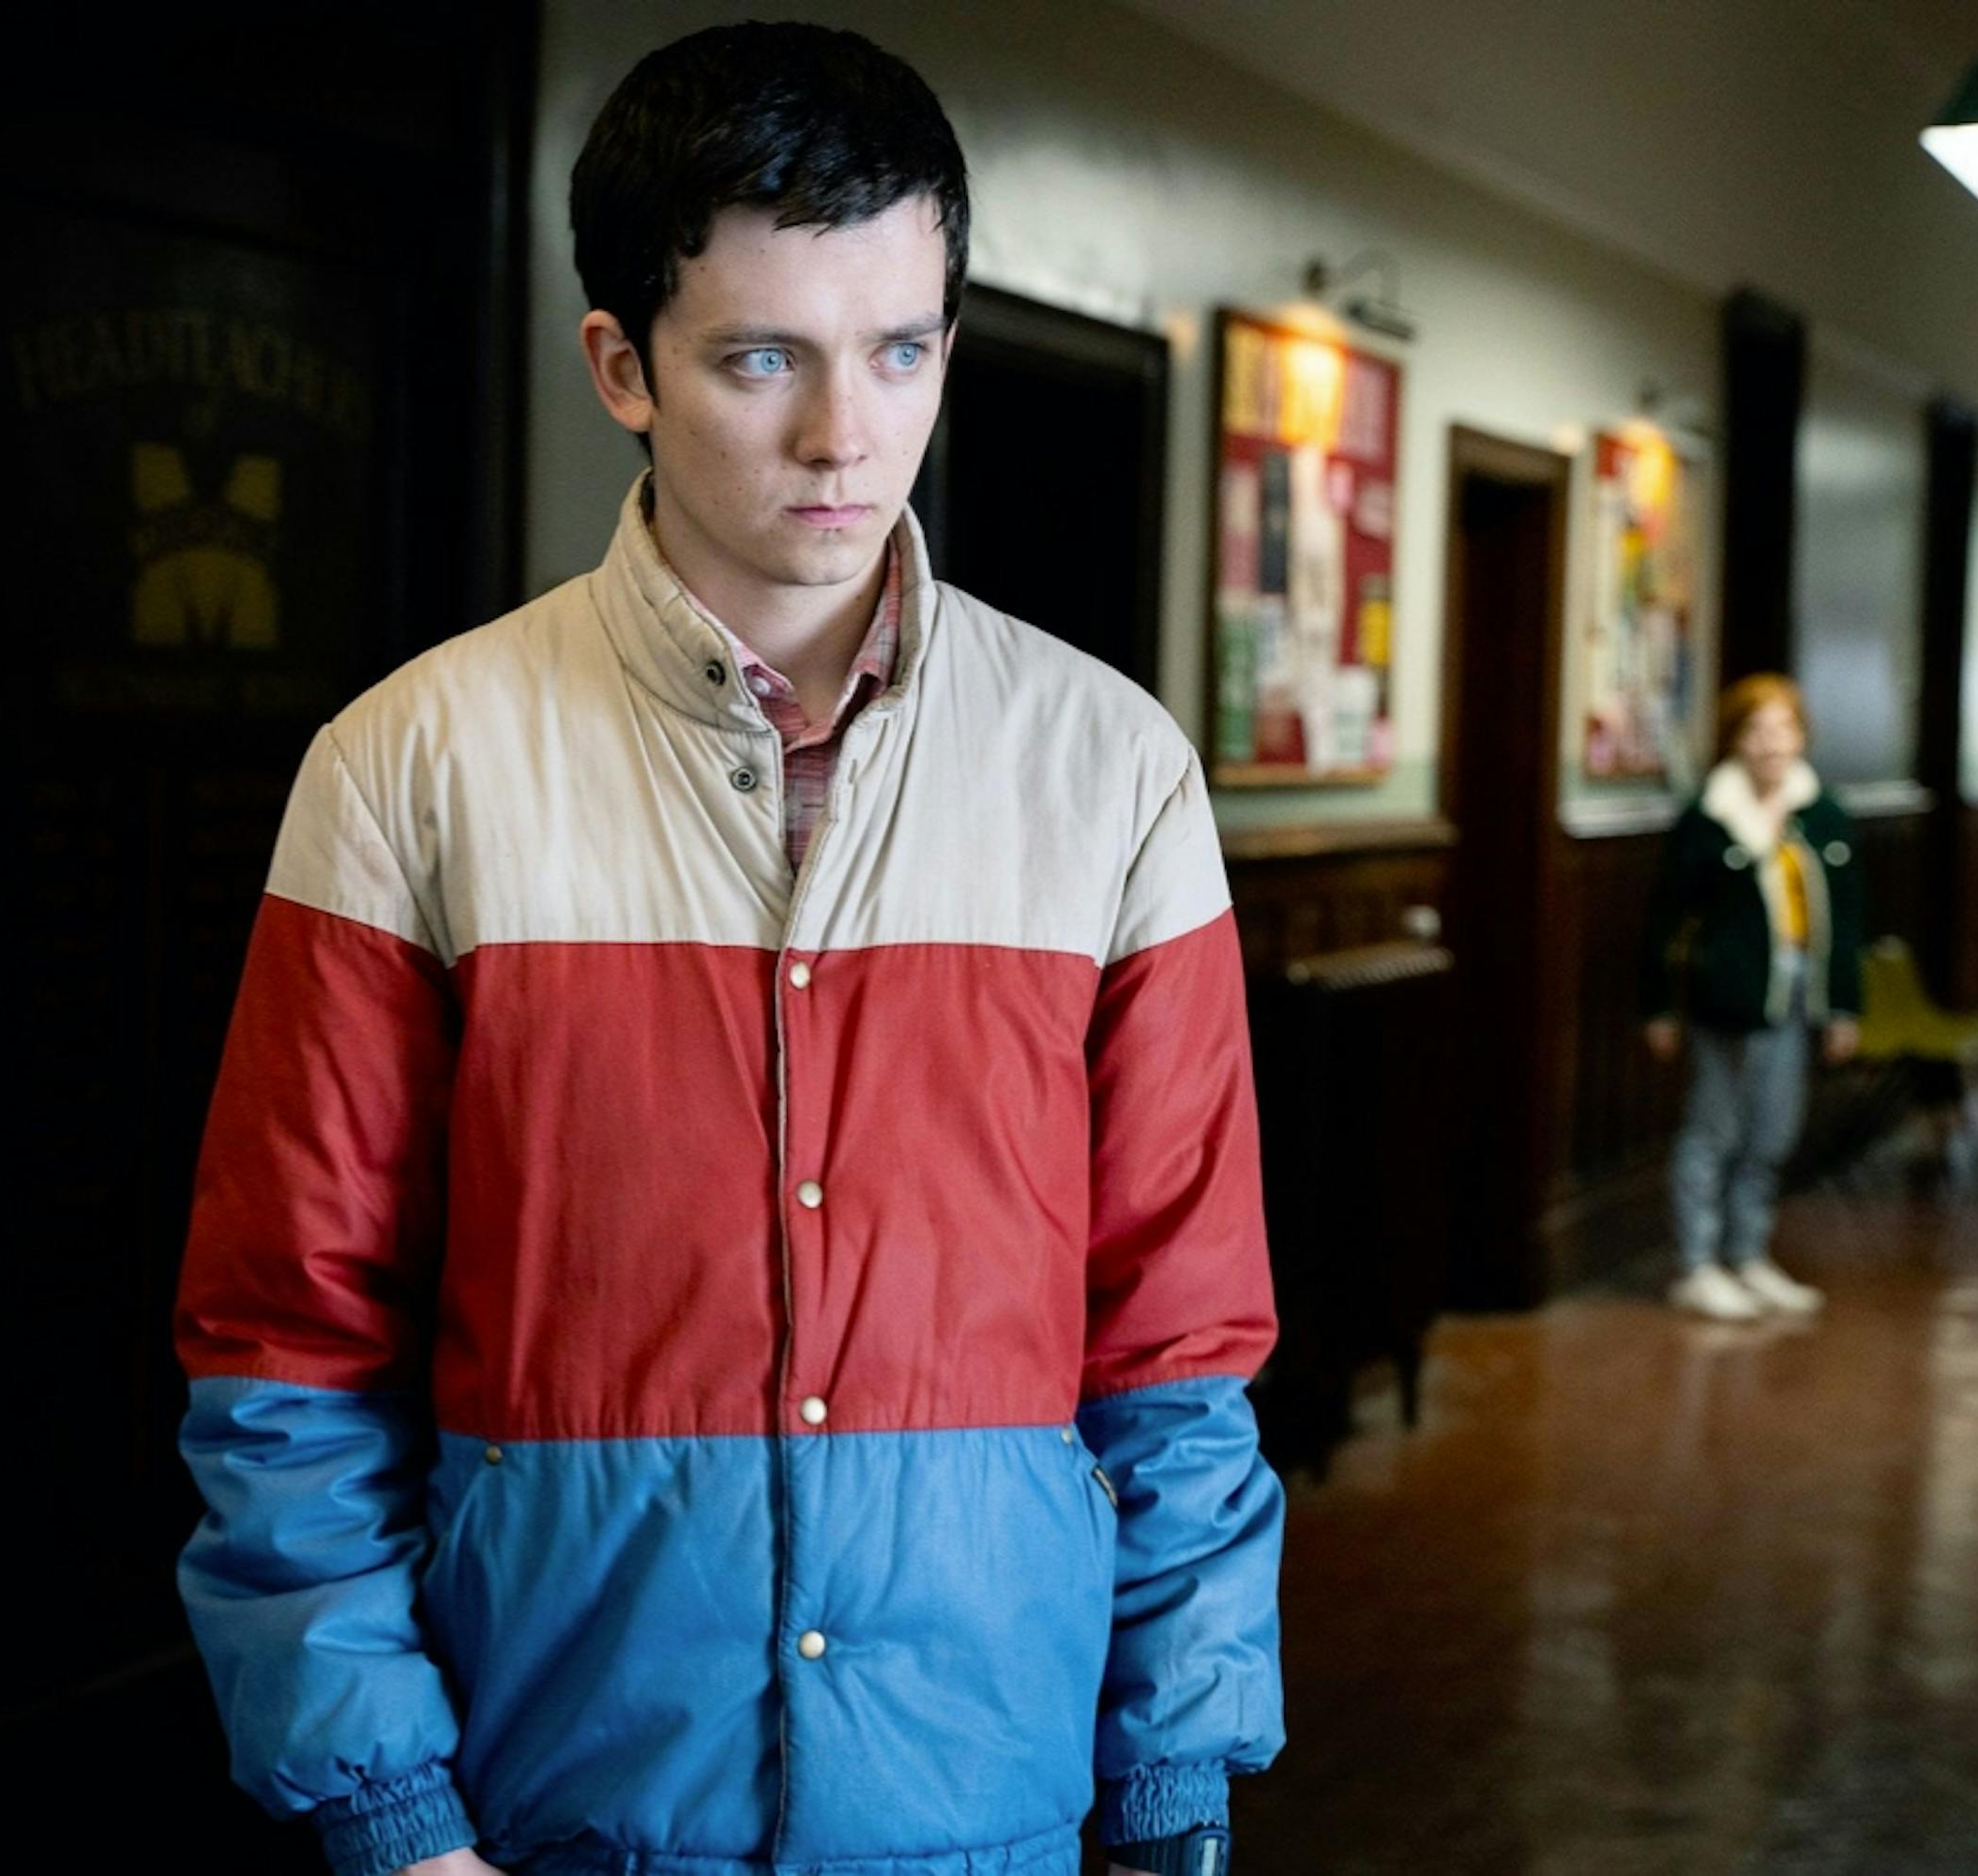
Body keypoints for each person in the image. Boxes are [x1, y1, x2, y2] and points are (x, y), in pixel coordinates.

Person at [171, 23, 1282, 1876]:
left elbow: (1175, 1347)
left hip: (983, 1801)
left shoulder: (1114, 773)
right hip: (555, 1803)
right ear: (621, 362)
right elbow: (287, 1348)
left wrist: (1173, 1790)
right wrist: (392, 1812)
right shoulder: (406, 768)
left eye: (900, 349)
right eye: (761, 358)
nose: (846, 434)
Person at [1639, 673, 1865, 1321]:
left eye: (1783, 729)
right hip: (1729, 996)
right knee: (1714, 1126)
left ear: (1801, 737)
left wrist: (1843, 1006)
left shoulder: (1820, 813)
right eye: (1755, 730)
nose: (1771, 744)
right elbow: (1665, 917)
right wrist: (1656, 1005)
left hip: (1799, 989)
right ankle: (1696, 1263)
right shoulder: (1709, 818)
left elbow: (1846, 918)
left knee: (1772, 1131)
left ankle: (1747, 1253)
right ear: (1734, 739)